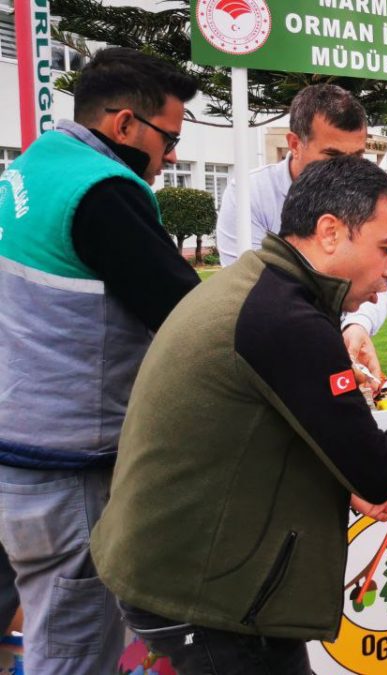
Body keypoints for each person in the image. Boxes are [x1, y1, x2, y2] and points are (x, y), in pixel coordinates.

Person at [90, 156, 387, 672]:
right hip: (202, 598)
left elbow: (260, 432)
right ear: (329, 232)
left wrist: (342, 486)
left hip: (178, 569)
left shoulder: (261, 284)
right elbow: (378, 469)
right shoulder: (285, 317)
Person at [0, 47, 200, 673]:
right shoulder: (105, 191)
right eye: (169, 139)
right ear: (123, 126)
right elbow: (188, 316)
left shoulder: (35, 165)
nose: (170, 157)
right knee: (73, 648)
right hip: (63, 468)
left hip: (15, 441)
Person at [215, 84, 387, 384]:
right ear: (294, 143)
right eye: (332, 155)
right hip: (265, 359)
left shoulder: (367, 197)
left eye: (357, 156)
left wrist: (357, 326)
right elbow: (247, 290)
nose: (346, 171)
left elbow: (378, 277)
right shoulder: (250, 194)